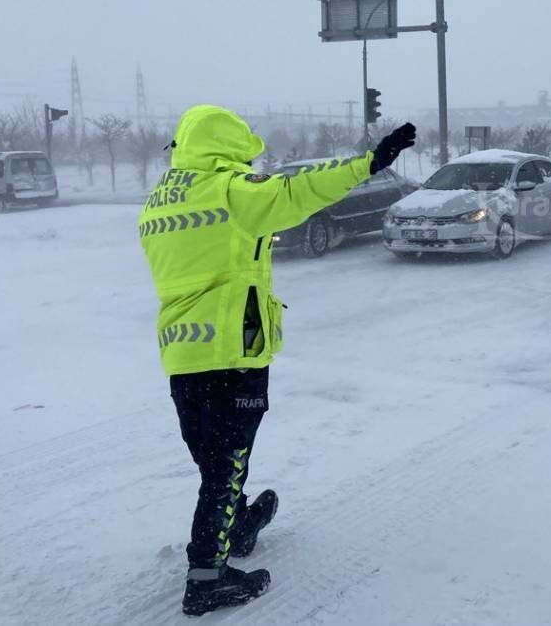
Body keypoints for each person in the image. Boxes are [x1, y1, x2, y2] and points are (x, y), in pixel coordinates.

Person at [138, 105, 415, 616]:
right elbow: (295, 191)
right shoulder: (231, 189)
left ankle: (237, 525)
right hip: (233, 348)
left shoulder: (160, 200)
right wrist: (369, 162)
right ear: (227, 144)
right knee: (226, 463)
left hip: (182, 350)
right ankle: (206, 576)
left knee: (212, 454)